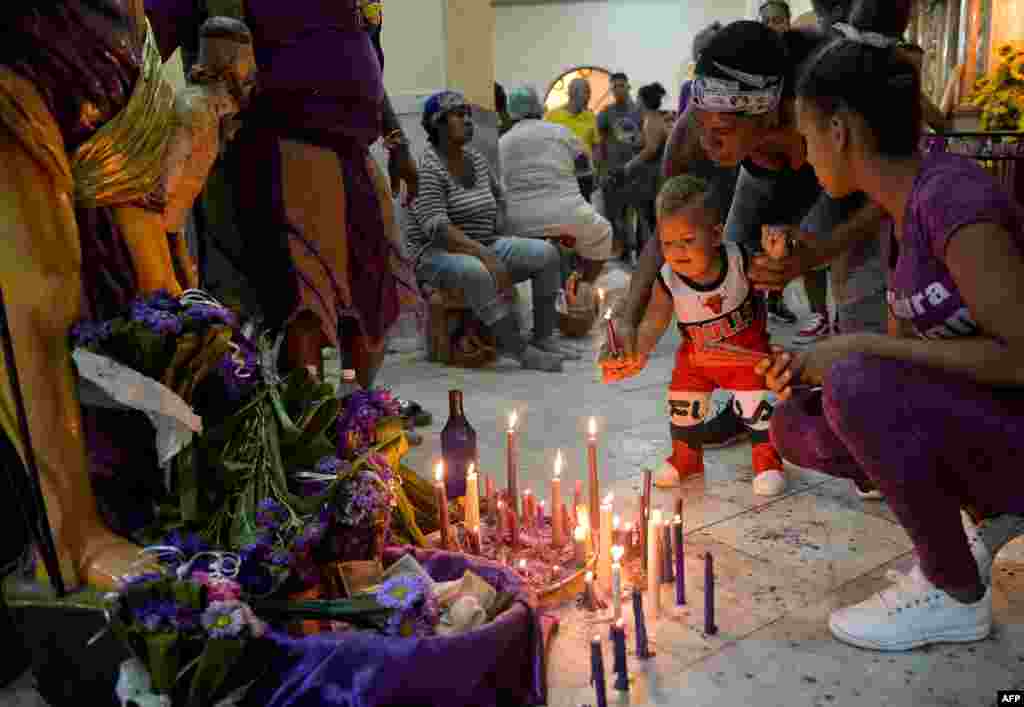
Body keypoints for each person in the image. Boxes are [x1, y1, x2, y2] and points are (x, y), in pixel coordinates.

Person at [760, 0, 1024, 652]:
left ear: (842, 129)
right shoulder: (896, 214)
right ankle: (972, 518)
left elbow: (1022, 356)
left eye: (809, 133)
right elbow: (911, 362)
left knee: (854, 380)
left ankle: (954, 591)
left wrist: (853, 350)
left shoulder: (952, 200)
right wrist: (816, 369)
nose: (804, 154)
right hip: (990, 422)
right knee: (797, 420)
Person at [148, 0, 421, 390]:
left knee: (369, 300)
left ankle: (356, 414)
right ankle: (307, 423)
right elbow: (143, 41)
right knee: (303, 306)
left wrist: (396, 141)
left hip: (355, 149)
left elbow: (365, 53)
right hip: (280, 142)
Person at [615, 176, 787, 496]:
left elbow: (774, 278)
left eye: (687, 240)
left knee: (757, 407)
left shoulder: (739, 260)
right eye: (667, 243)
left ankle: (768, 462)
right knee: (682, 403)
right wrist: (637, 352)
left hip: (746, 356)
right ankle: (687, 459)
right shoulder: (668, 279)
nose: (677, 252)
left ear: (716, 234)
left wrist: (777, 257)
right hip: (697, 359)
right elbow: (654, 322)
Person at [409, 91, 578, 372]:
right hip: (438, 254)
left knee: (546, 254)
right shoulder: (428, 167)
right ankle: (520, 351)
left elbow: (499, 197)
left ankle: (545, 337)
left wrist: (499, 228)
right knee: (477, 271)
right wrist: (485, 255)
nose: (467, 120)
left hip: (485, 243)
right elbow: (437, 227)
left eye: (468, 114)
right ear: (437, 124)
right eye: (458, 115)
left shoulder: (474, 158)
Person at [500, 86, 613, 289]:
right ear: (539, 108)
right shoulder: (561, 133)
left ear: (511, 112)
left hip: (518, 223)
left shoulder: (502, 142)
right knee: (603, 233)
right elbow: (587, 169)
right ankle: (583, 287)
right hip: (567, 214)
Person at [609, 83, 670, 254]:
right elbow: (648, 143)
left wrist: (627, 167)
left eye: (638, 98)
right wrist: (634, 140)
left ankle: (655, 256)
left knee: (651, 220)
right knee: (649, 219)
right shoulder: (654, 119)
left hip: (653, 178)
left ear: (642, 101)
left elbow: (651, 149)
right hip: (652, 177)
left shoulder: (652, 121)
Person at [596, 72, 644, 262]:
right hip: (613, 173)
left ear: (628, 87)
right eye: (614, 87)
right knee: (616, 217)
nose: (618, 90)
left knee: (639, 216)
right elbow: (600, 145)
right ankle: (622, 253)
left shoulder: (640, 112)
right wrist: (601, 171)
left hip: (636, 172)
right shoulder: (606, 114)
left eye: (621, 86)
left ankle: (640, 254)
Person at [545, 77, 599, 203]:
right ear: (573, 93)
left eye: (589, 93)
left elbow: (596, 146)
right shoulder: (552, 116)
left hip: (585, 176)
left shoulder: (591, 117)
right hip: (562, 176)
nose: (588, 97)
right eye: (586, 93)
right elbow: (546, 147)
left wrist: (596, 171)